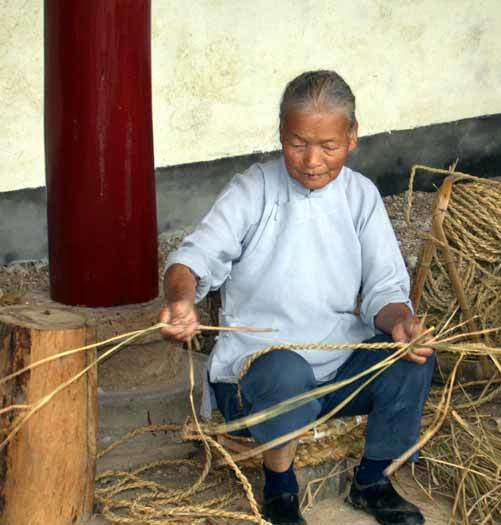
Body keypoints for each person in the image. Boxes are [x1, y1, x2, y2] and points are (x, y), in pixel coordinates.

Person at [160, 70, 434, 525]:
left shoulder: (360, 196)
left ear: (352, 138)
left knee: (411, 358)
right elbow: (191, 260)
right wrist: (182, 299)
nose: (311, 160)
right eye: (297, 143)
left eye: (328, 146)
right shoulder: (255, 189)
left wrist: (400, 322)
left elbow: (385, 289)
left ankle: (373, 481)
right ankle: (280, 490)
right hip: (257, 379)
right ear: (280, 134)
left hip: (336, 368)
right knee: (285, 371)